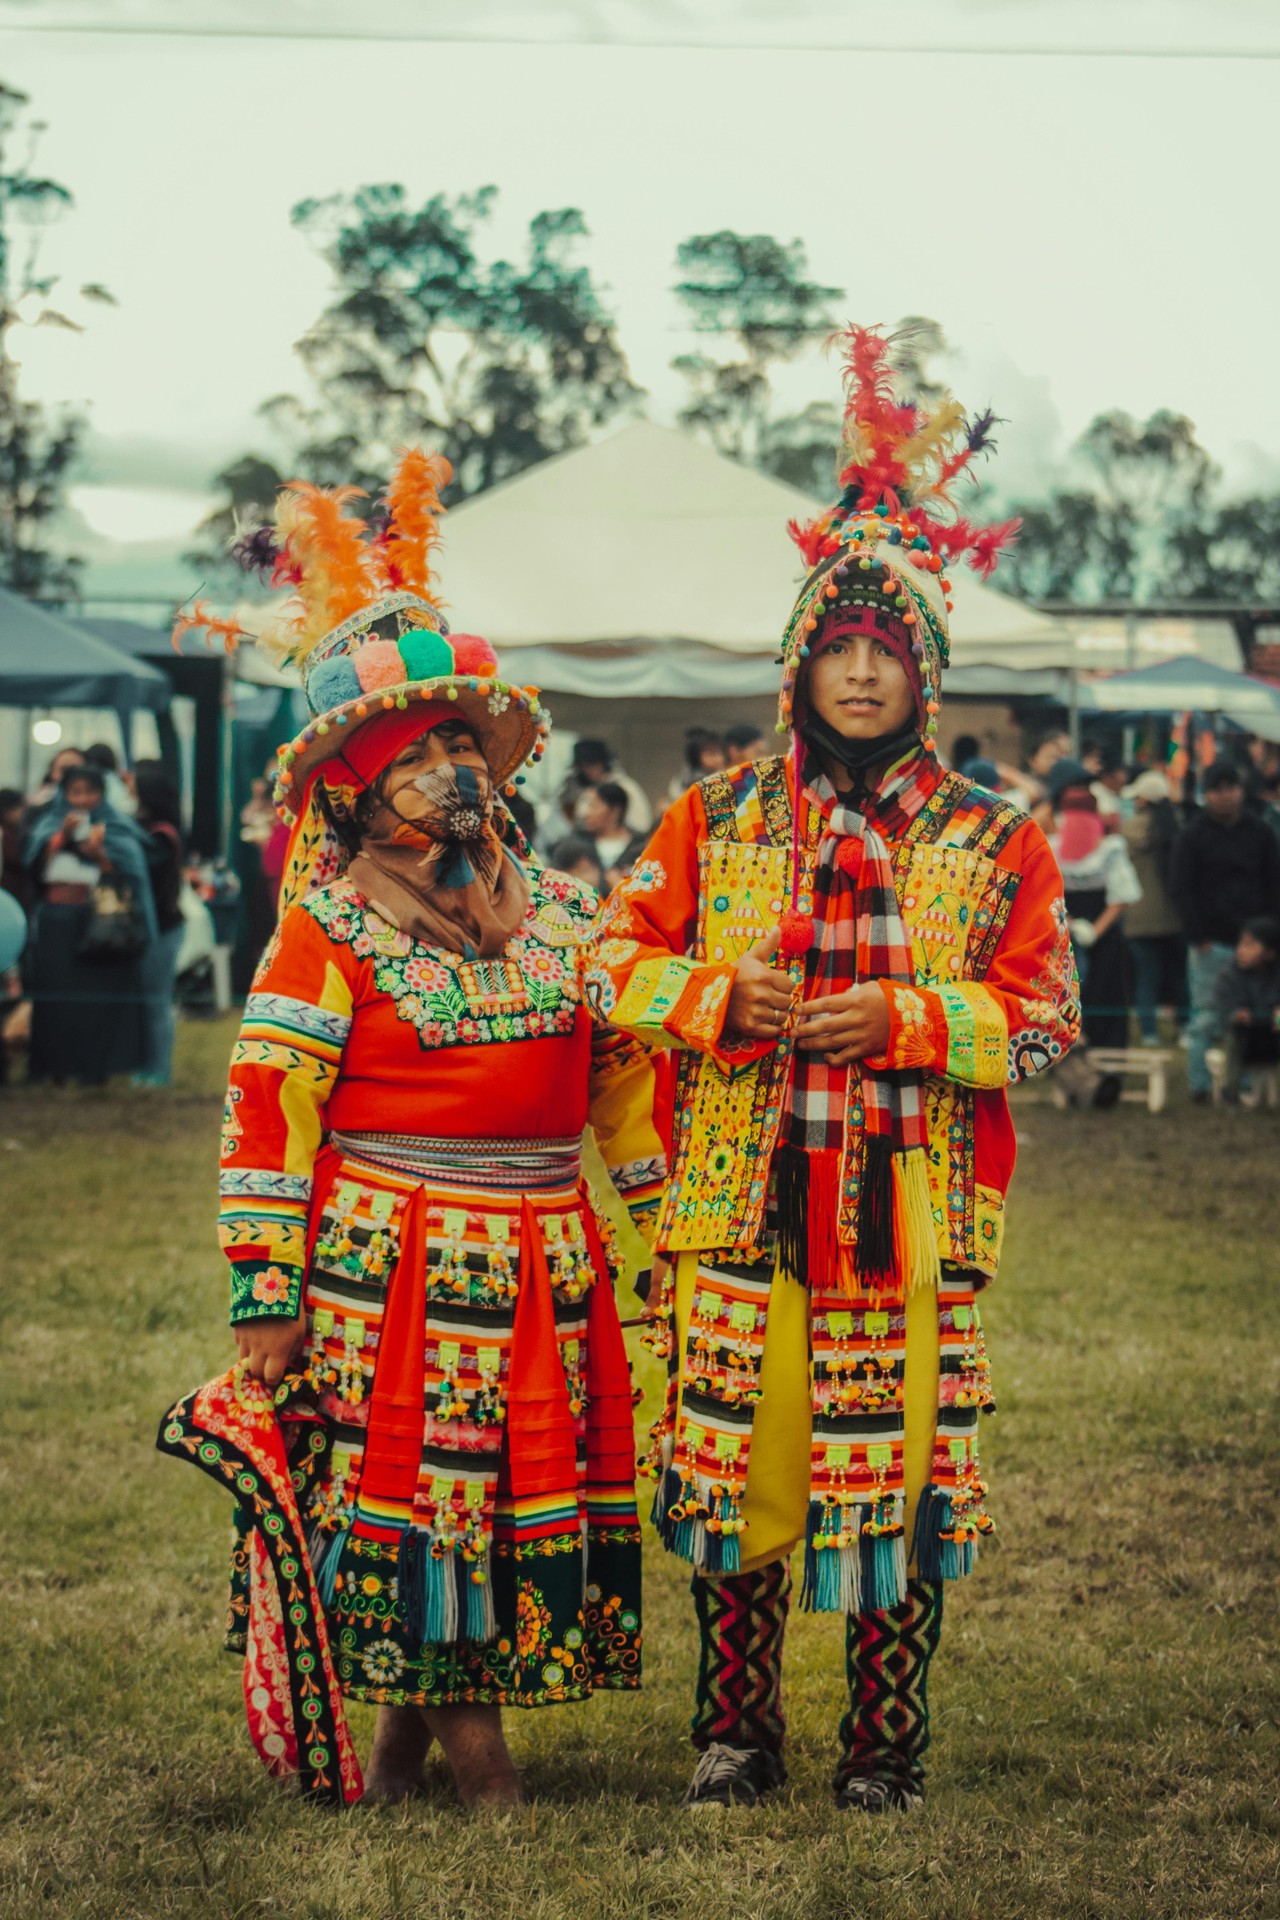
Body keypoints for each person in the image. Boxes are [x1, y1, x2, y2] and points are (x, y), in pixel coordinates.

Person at [584, 326, 1080, 1814]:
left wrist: (915, 1023)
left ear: (926, 671)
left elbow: (1049, 1019)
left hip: (906, 1215)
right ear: (799, 662)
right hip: (737, 1205)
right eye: (838, 648)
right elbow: (606, 966)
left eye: (889, 651)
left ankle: (886, 1745)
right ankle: (735, 1735)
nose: (861, 672)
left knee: (898, 1472)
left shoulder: (1000, 839)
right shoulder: (713, 816)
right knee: (735, 1472)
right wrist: (709, 995)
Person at [157, 451, 667, 1812]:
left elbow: (618, 1079)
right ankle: (475, 1750)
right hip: (397, 1258)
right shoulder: (323, 930)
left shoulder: (558, 911)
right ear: (353, 793)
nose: (449, 778)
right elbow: (265, 1113)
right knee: (428, 1492)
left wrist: (663, 1225)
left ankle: (404, 1740)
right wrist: (266, 1291)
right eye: (415, 757)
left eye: (461, 750)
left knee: (501, 1495)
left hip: (548, 1253)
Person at [24, 762, 156, 1085]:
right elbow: (33, 869)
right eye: (75, 792)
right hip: (57, 921)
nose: (83, 800)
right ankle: (55, 1068)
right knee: (57, 1000)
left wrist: (98, 855)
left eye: (90, 792)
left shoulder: (117, 828)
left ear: (102, 794)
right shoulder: (48, 825)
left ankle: (95, 1069)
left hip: (100, 921)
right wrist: (61, 838)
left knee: (97, 1001)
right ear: (64, 794)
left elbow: (129, 876)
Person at [1170, 761, 1280, 1104]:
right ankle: (1200, 1086)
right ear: (1207, 795)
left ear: (1241, 790)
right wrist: (1197, 936)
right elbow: (1181, 888)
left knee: (1254, 1018)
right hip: (1209, 943)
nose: (1226, 795)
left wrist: (1270, 936)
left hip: (1258, 943)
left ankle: (1243, 1085)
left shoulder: (1260, 832)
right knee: (1207, 1017)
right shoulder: (1192, 835)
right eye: (1218, 789)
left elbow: (1274, 883)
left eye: (1231, 787)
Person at [1047, 758, 1142, 1053]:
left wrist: (1094, 932)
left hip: (1106, 934)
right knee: (1071, 993)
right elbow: (1050, 893)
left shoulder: (1110, 849)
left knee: (1107, 991)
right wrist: (1073, 925)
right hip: (1067, 934)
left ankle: (1110, 1057)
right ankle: (1072, 1057)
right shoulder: (1052, 846)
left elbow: (1120, 898)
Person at [1121, 769, 1185, 1046]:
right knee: (1178, 976)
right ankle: (1184, 1028)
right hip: (1174, 916)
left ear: (1143, 800)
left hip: (1139, 916)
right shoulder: (1176, 827)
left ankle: (1149, 1032)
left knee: (1146, 978)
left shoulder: (1129, 830)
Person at [132, 761, 186, 1086]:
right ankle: (146, 1066)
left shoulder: (160, 836)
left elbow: (148, 875)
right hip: (155, 927)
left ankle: (158, 1070)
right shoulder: (154, 831)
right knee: (147, 1002)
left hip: (163, 928)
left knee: (157, 1002)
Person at [1213, 916, 1280, 1103]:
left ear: (1269, 952)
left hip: (1273, 1034)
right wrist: (1236, 1015)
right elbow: (1223, 1012)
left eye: (1250, 945)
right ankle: (1230, 1093)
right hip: (1245, 1036)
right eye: (1241, 944)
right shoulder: (1228, 976)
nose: (1242, 950)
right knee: (1235, 1036)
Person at [555, 737, 653, 843]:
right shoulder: (573, 788)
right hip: (584, 844)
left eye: (592, 765)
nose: (587, 770)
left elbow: (641, 824)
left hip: (619, 843)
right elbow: (562, 820)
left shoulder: (624, 787)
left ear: (604, 763)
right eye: (583, 766)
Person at [581, 780, 649, 889]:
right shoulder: (575, 845)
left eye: (594, 806)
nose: (587, 813)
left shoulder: (641, 847)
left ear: (615, 810)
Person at [668, 728, 726, 802]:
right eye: (711, 754)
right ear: (696, 756)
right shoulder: (689, 781)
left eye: (720, 753)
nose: (719, 758)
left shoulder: (722, 776)